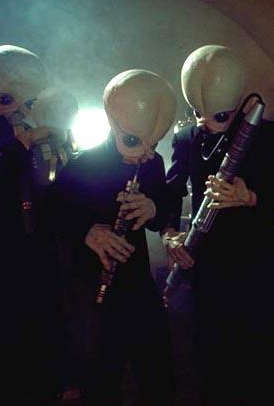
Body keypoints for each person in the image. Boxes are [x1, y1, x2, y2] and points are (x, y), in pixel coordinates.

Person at [163, 44, 274, 405]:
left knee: (263, 368)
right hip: (210, 274)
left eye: (217, 116)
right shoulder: (187, 139)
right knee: (214, 367)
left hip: (258, 272)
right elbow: (171, 193)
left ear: (236, 104)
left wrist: (251, 196)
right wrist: (170, 234)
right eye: (197, 113)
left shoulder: (268, 136)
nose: (204, 122)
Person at [0, 45, 77, 403]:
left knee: (51, 321)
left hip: (44, 243)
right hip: (4, 251)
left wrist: (64, 150)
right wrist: (24, 141)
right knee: (12, 330)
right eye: (14, 93)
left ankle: (56, 384)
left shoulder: (42, 124)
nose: (26, 105)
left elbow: (62, 186)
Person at [48, 69, 176, 406]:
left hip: (138, 282)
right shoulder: (82, 165)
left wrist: (153, 209)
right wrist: (87, 231)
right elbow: (48, 215)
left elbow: (162, 213)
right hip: (93, 290)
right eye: (133, 142)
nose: (143, 154)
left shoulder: (152, 164)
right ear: (112, 122)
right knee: (101, 379)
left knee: (159, 372)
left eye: (152, 144)